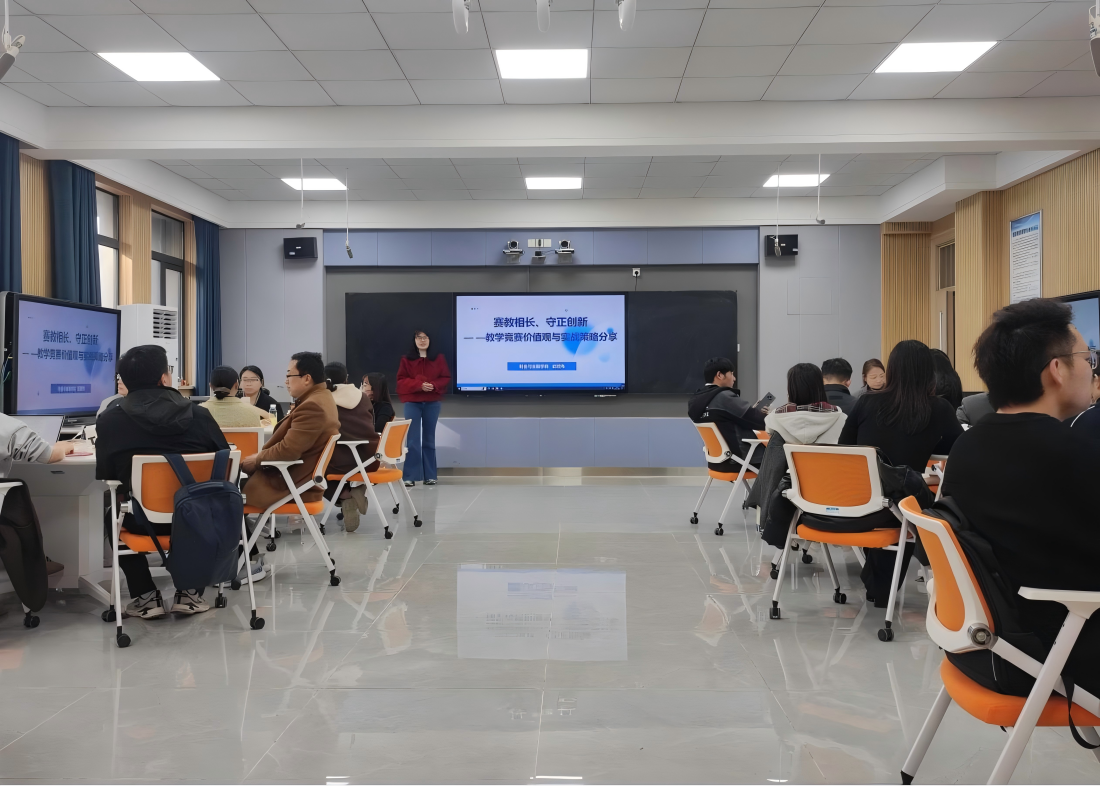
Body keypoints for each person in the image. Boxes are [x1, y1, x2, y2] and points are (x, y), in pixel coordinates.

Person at [941, 298, 1100, 698]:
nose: (1092, 369)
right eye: (1088, 358)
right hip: (1065, 650)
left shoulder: (967, 446)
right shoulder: (1075, 452)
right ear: (1057, 369)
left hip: (988, 648)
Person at [95, 344, 230, 619]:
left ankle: (145, 596)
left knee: (112, 513)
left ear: (124, 380)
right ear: (164, 378)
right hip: (198, 519)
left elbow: (109, 477)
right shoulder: (200, 415)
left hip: (141, 520)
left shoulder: (109, 421)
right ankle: (190, 592)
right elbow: (224, 466)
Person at [840, 340, 962, 605]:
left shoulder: (866, 402)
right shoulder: (938, 408)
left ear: (892, 369)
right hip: (902, 504)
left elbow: (844, 448)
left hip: (857, 500)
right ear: (928, 372)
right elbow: (956, 449)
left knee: (894, 501)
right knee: (920, 502)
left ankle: (878, 587)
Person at [747, 363, 846, 549]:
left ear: (790, 389)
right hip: (830, 492)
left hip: (790, 491)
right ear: (819, 386)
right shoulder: (840, 418)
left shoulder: (775, 418)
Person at [241, 352, 340, 513]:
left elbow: (288, 450)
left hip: (288, 485)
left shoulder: (312, 406)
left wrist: (257, 459)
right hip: (292, 480)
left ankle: (240, 529)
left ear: (306, 378)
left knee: (223, 490)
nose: (286, 381)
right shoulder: (321, 398)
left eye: (289, 375)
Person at [325, 362, 379, 533]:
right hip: (371, 458)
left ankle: (345, 496)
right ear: (346, 378)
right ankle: (357, 490)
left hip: (341, 461)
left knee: (312, 466)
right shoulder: (363, 397)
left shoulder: (324, 401)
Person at [687, 357, 767, 470]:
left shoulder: (695, 400)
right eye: (732, 374)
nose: (734, 378)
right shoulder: (724, 397)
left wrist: (752, 412)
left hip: (716, 462)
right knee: (782, 456)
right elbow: (760, 421)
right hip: (740, 461)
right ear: (719, 375)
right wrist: (770, 415)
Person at [396, 330, 451, 488]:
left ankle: (430, 476)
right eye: (419, 337)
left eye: (425, 337)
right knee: (412, 440)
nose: (422, 340)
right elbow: (401, 380)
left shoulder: (438, 358)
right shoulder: (406, 359)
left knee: (429, 439)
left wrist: (433, 385)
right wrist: (419, 385)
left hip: (432, 402)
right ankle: (410, 476)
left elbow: (445, 378)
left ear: (430, 339)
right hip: (412, 402)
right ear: (414, 340)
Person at [201, 366, 273, 428]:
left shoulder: (199, 412)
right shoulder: (252, 413)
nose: (249, 383)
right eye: (245, 380)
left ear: (210, 386)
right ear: (237, 385)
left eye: (253, 379)